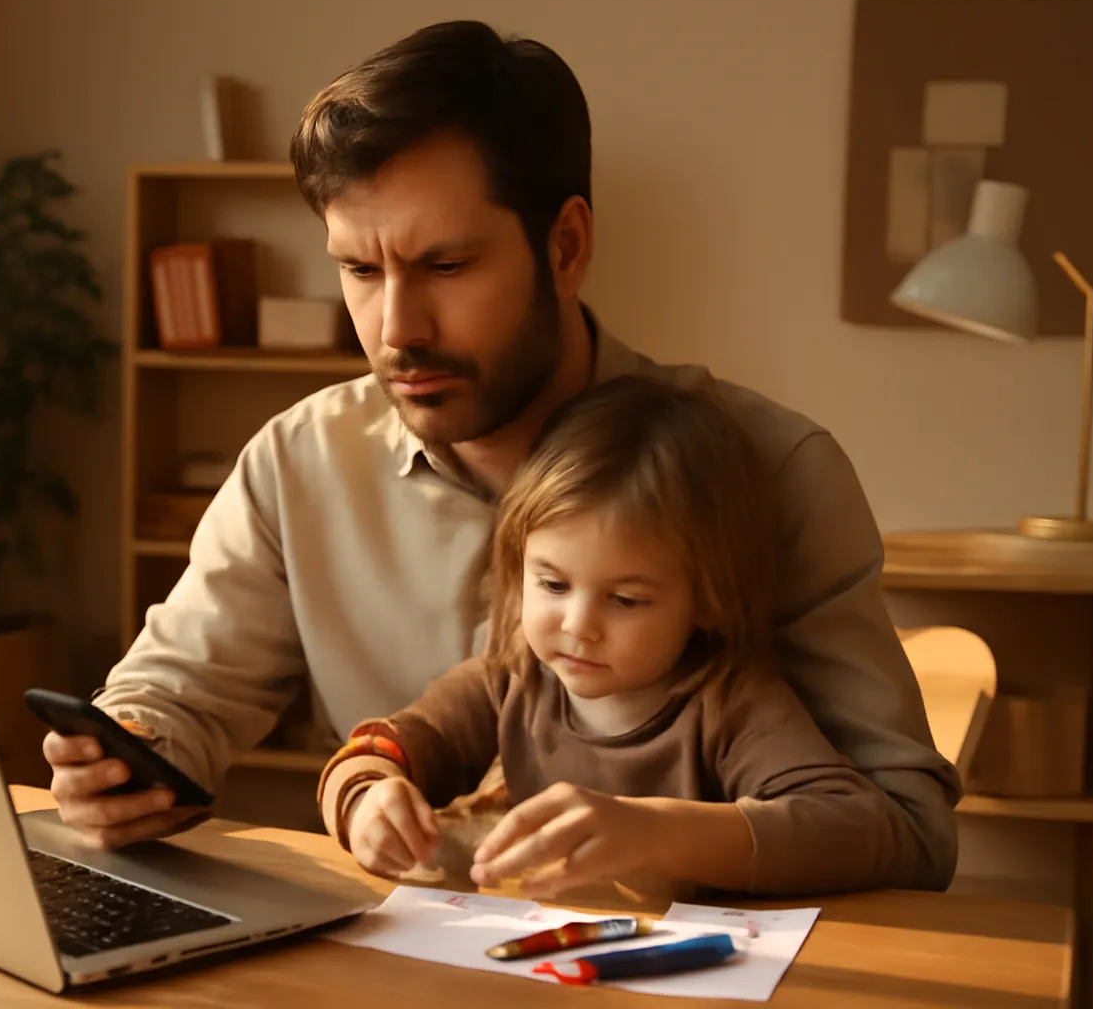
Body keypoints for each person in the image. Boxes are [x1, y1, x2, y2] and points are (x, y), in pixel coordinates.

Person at [44, 19, 959, 886]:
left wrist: (672, 840)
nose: (395, 327)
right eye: (359, 270)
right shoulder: (300, 462)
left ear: (565, 246)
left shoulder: (774, 469)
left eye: (444, 267)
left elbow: (910, 835)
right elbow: (176, 699)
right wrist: (126, 757)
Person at [321, 375, 922, 897]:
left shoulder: (729, 705)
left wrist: (656, 833)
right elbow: (383, 749)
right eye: (553, 585)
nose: (578, 626)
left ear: (707, 600)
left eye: (626, 599)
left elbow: (865, 830)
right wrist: (366, 800)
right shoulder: (511, 679)